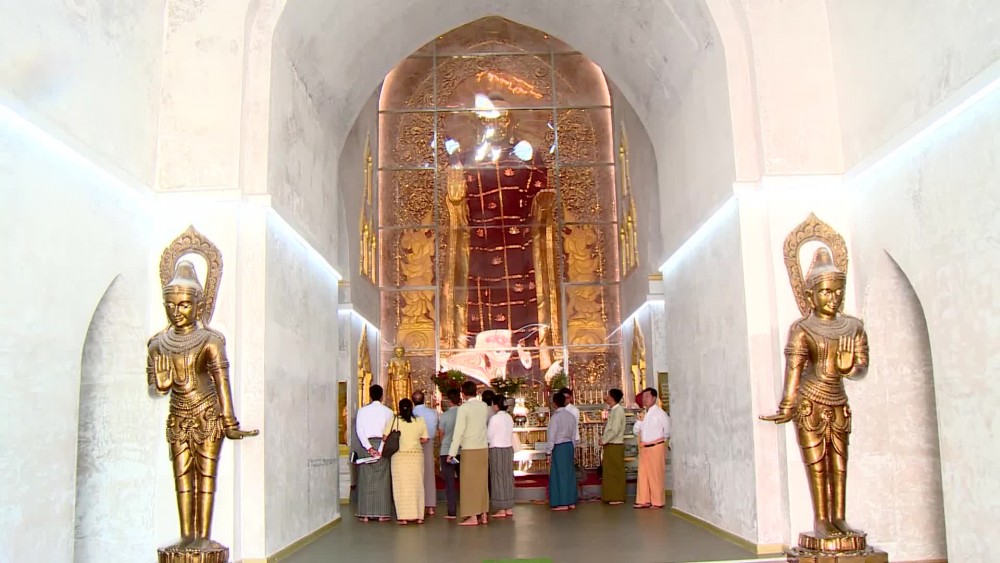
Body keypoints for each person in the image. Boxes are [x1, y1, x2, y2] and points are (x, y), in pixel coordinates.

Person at [147, 260, 257, 550]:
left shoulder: (211, 341)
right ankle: (187, 535)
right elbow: (155, 388)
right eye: (171, 306)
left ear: (199, 306)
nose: (177, 312)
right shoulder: (157, 345)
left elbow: (222, 383)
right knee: (182, 478)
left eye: (184, 305)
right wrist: (160, 387)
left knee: (206, 476)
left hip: (208, 416)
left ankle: (204, 537)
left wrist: (229, 422)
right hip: (177, 416)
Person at [760, 247, 869, 538]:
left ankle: (839, 518)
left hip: (838, 401)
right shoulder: (802, 329)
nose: (833, 298)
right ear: (810, 296)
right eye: (825, 292)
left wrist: (849, 368)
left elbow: (862, 367)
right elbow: (794, 369)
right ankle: (822, 519)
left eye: (838, 292)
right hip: (809, 403)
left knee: (840, 463)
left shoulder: (853, 327)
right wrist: (787, 405)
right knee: (817, 464)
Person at [447, 381, 491, 526]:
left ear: (463, 393)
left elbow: (459, 432)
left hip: (469, 449)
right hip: (483, 448)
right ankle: (484, 514)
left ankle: (473, 516)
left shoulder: (463, 408)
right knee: (482, 482)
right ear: (476, 392)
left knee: (469, 484)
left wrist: (452, 452)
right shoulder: (483, 406)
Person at [385, 398, 429, 525]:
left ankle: (403, 517)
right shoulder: (420, 421)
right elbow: (425, 439)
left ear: (399, 408)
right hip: (416, 456)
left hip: (399, 457)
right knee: (417, 485)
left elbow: (384, 437)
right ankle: (419, 516)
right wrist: (414, 441)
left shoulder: (395, 420)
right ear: (412, 408)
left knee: (401, 487)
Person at [354, 384, 395, 522]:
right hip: (382, 446)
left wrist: (369, 448)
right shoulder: (388, 412)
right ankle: (382, 513)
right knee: (382, 480)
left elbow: (360, 431)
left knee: (365, 479)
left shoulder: (362, 411)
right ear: (382, 396)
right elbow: (388, 433)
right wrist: (380, 449)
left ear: (370, 396)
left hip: (366, 446)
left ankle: (365, 513)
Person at [633, 388, 670, 509]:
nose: (645, 399)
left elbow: (667, 430)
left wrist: (662, 441)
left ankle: (657, 501)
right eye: (643, 397)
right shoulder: (643, 414)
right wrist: (639, 421)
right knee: (643, 475)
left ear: (654, 398)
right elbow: (635, 431)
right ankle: (644, 500)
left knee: (656, 474)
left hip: (656, 446)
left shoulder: (660, 413)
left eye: (647, 397)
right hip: (644, 447)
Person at [546, 392, 578, 511]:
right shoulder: (571, 416)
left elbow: (552, 436)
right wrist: (573, 447)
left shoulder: (555, 417)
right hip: (569, 445)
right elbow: (574, 434)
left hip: (559, 447)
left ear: (554, 403)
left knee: (560, 475)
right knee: (569, 473)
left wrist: (548, 451)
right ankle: (571, 501)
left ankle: (563, 502)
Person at [487, 394, 516, 519]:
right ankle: (509, 507)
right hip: (508, 448)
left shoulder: (494, 418)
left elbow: (489, 436)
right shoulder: (509, 417)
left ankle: (501, 507)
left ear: (496, 406)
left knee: (498, 477)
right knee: (508, 476)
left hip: (496, 448)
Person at [411, 391, 439, 516]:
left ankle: (417, 505)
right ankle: (430, 505)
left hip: (413, 444)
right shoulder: (432, 413)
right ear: (424, 399)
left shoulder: (411, 413)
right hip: (428, 443)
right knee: (429, 473)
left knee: (415, 474)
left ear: (413, 400)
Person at [438, 389, 462, 519]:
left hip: (446, 452)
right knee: (464, 480)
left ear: (449, 401)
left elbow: (441, 434)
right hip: (460, 451)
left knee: (449, 482)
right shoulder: (463, 413)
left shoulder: (445, 416)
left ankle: (452, 511)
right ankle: (467, 509)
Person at [599, 388, 626, 505]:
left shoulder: (618, 411)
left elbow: (615, 430)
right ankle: (610, 495)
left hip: (615, 444)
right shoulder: (614, 410)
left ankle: (617, 496)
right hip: (610, 444)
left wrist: (604, 440)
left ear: (612, 398)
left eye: (608, 396)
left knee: (615, 471)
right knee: (609, 472)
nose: (606, 398)